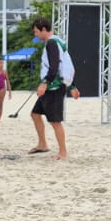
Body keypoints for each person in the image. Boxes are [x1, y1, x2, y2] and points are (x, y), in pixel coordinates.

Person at [29, 20, 79, 158]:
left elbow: (55, 66)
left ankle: (63, 152)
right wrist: (73, 86)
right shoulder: (58, 41)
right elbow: (67, 64)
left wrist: (44, 83)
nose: (36, 34)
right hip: (53, 85)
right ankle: (42, 144)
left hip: (53, 87)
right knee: (35, 114)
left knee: (55, 121)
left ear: (43, 29)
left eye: (36, 31)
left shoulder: (51, 43)